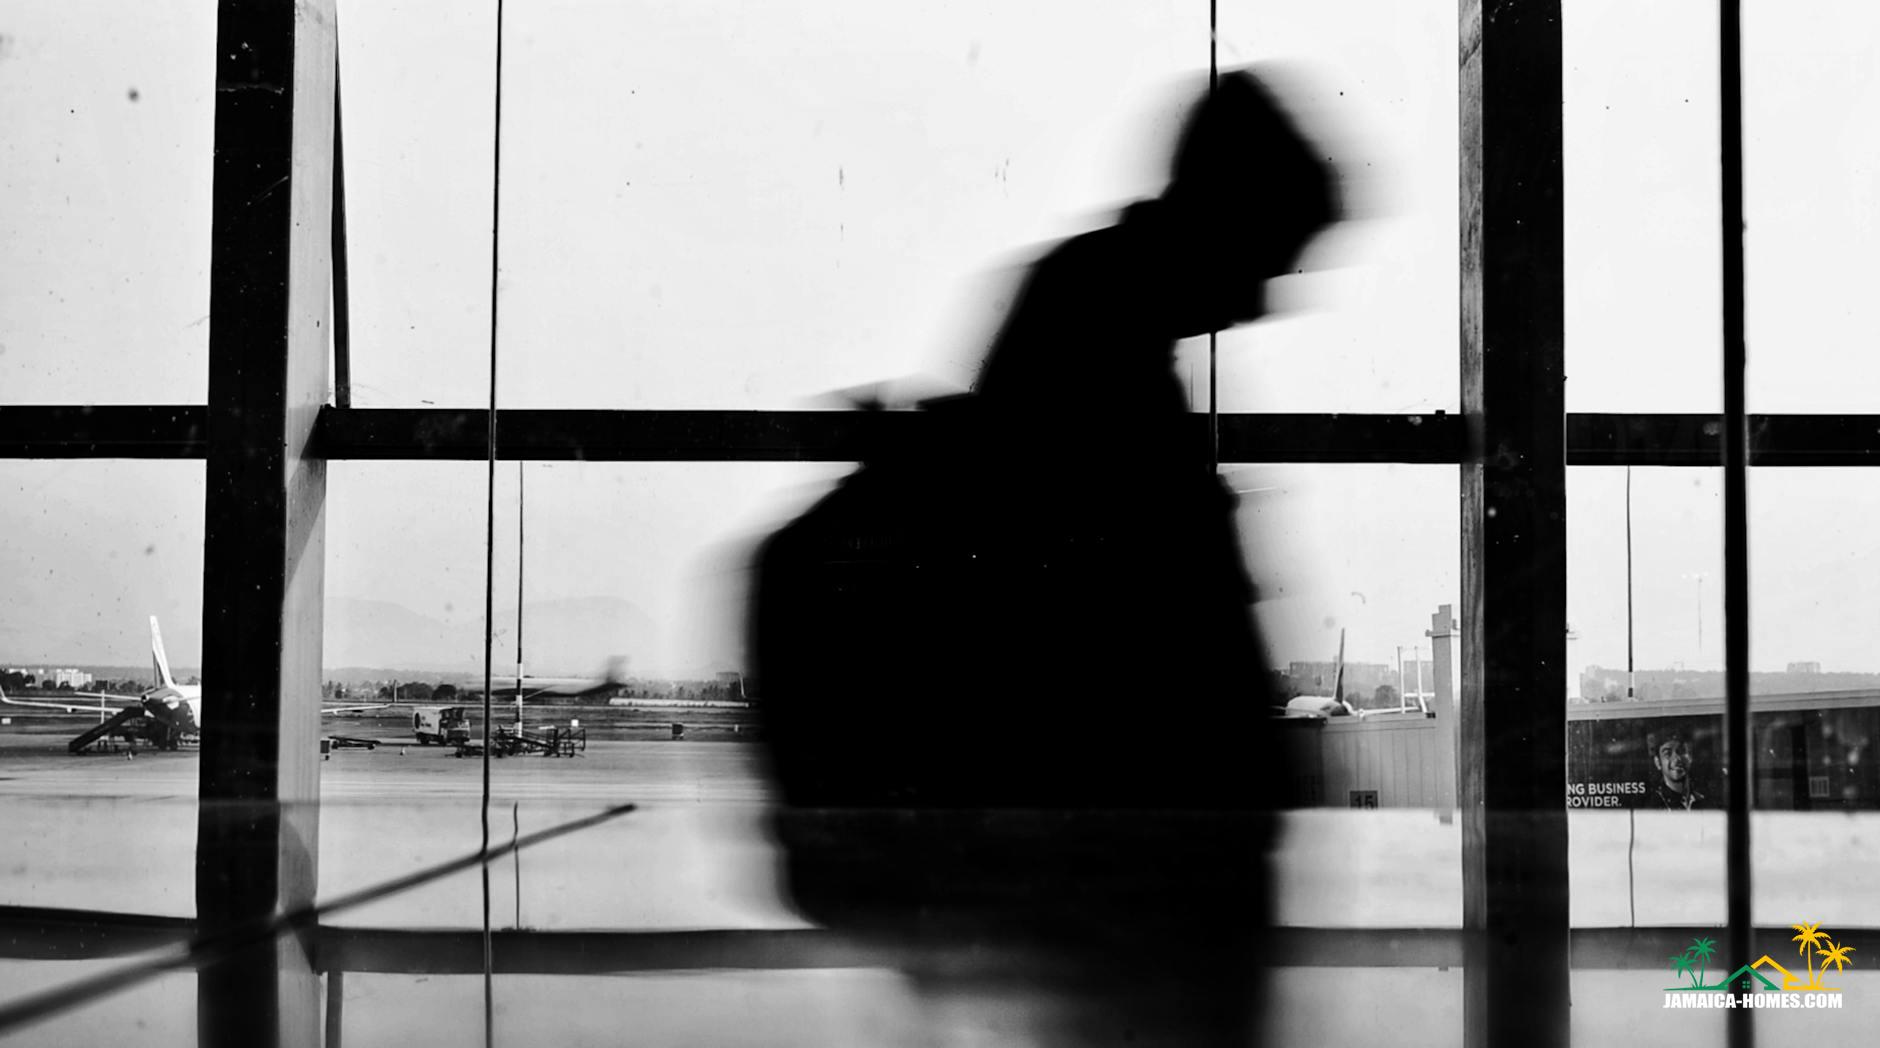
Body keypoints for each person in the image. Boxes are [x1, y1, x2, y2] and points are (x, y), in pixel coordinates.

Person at [752, 68, 1340, 1045]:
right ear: (1230, 215)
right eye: (1271, 259)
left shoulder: (1094, 310)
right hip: (1103, 868)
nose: (1264, 300)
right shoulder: (1106, 341)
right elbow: (1160, 622)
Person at [1648, 730, 1707, 810]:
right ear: (1658, 762)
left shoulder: (1704, 801)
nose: (1677, 759)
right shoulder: (1653, 807)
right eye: (1668, 754)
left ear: (1690, 756)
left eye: (1682, 751)